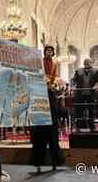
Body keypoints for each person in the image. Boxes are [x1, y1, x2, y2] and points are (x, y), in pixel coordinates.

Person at [30, 45, 64, 173]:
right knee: (39, 129)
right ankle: (38, 160)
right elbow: (38, 73)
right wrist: (47, 84)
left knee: (52, 128)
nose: (49, 52)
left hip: (51, 95)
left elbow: (55, 77)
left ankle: (55, 160)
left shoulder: (54, 64)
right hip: (40, 93)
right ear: (44, 52)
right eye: (47, 50)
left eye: (51, 51)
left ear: (53, 52)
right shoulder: (39, 62)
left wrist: (54, 85)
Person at [72, 58, 98, 132]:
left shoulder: (96, 70)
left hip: (91, 94)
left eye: (88, 62)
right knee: (79, 110)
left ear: (91, 63)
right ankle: (78, 127)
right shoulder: (78, 70)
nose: (87, 63)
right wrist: (73, 85)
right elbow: (73, 80)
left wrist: (96, 85)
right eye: (85, 62)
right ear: (83, 63)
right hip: (80, 93)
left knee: (91, 110)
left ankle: (92, 127)